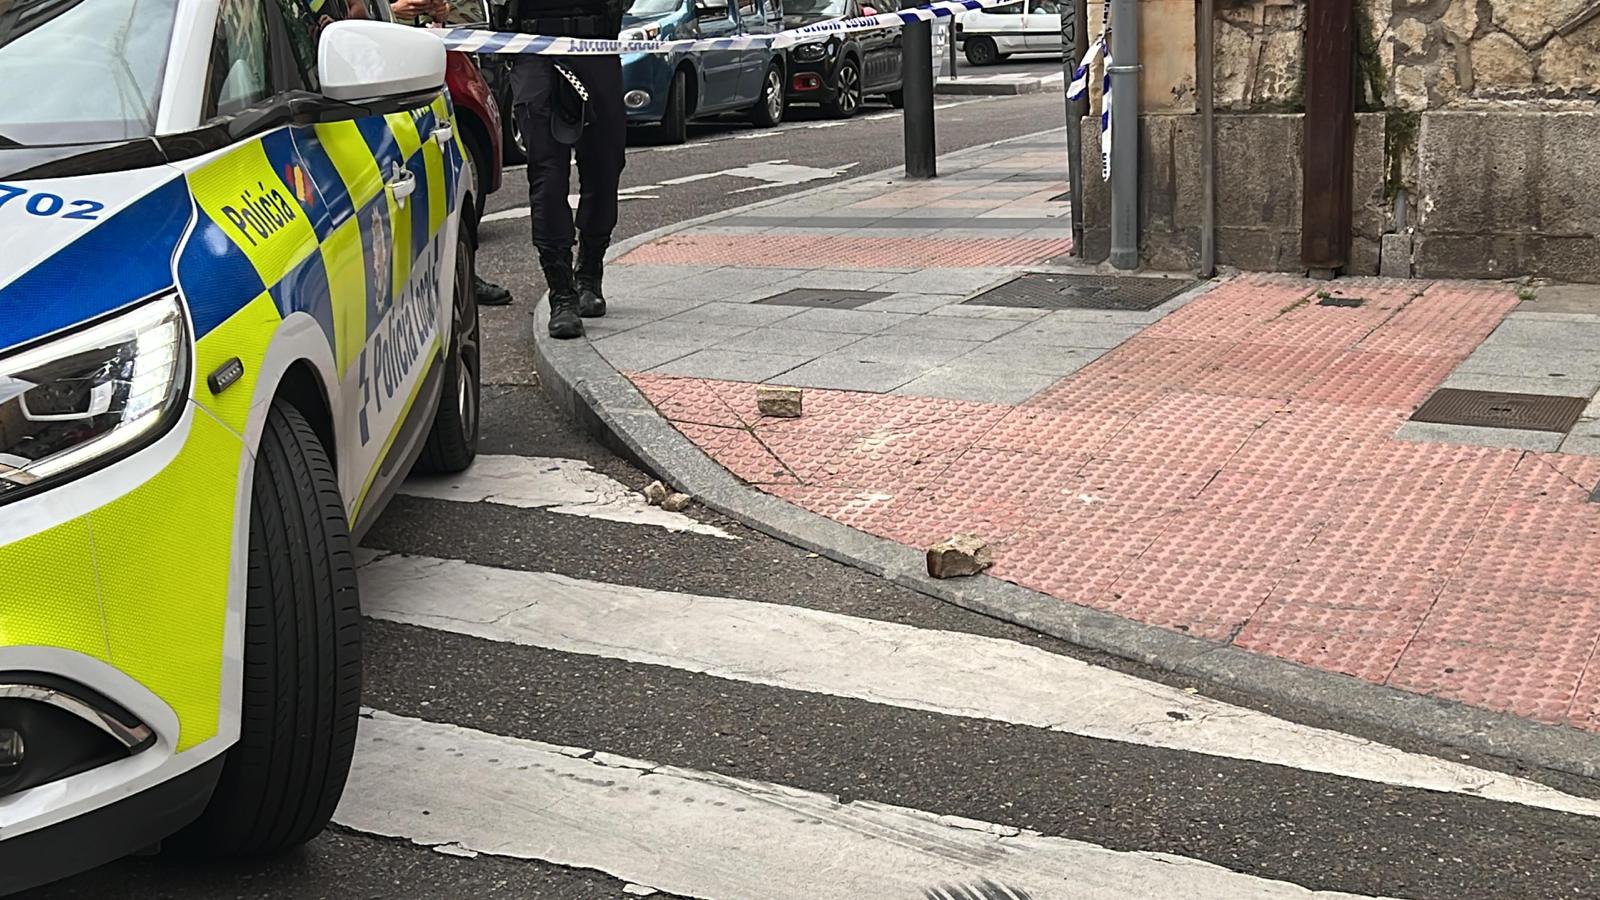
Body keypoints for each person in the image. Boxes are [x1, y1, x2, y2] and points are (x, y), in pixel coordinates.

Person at [498, 0, 626, 339]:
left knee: (605, 163)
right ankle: (561, 293)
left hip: (595, 45)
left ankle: (589, 273)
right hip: (534, 48)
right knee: (547, 172)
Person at [391, 0, 518, 307]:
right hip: (378, 86)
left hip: (425, 82)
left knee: (447, 179)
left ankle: (461, 273)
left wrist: (440, 9)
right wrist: (393, 11)